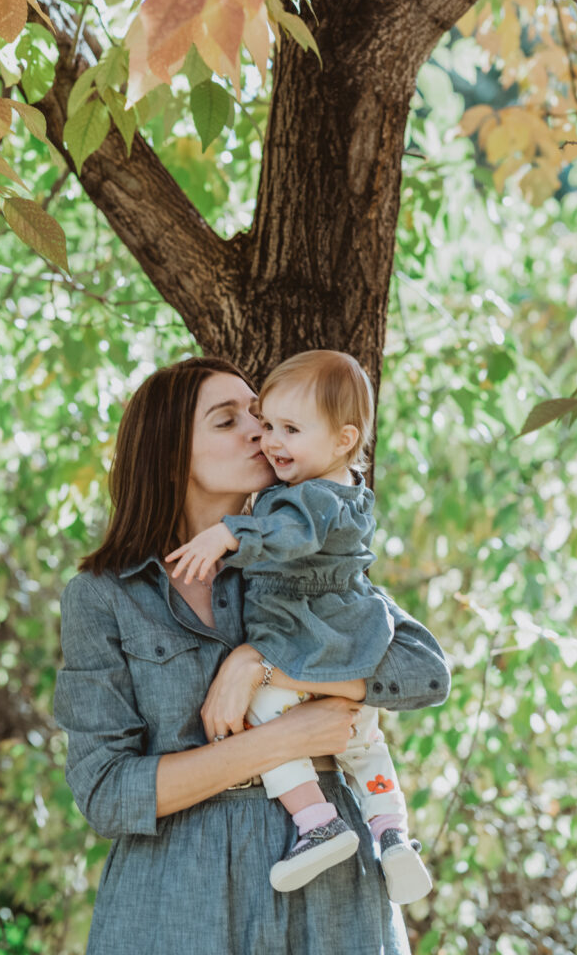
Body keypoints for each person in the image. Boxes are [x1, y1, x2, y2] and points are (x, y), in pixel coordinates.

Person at [54, 355, 450, 955]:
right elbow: (107, 794)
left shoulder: (305, 564)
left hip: (332, 907)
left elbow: (421, 672)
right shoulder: (104, 597)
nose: (259, 434)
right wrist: (278, 742)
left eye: (260, 416)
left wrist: (261, 666)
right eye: (227, 420)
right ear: (169, 453)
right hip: (177, 904)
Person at [166, 351, 432, 900]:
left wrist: (231, 536)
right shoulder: (345, 490)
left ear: (343, 440)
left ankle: (317, 822)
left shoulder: (311, 500)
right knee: (365, 742)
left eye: (288, 428)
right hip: (345, 641)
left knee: (262, 718)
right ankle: (391, 834)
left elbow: (292, 532)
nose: (268, 440)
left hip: (298, 636)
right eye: (268, 425)